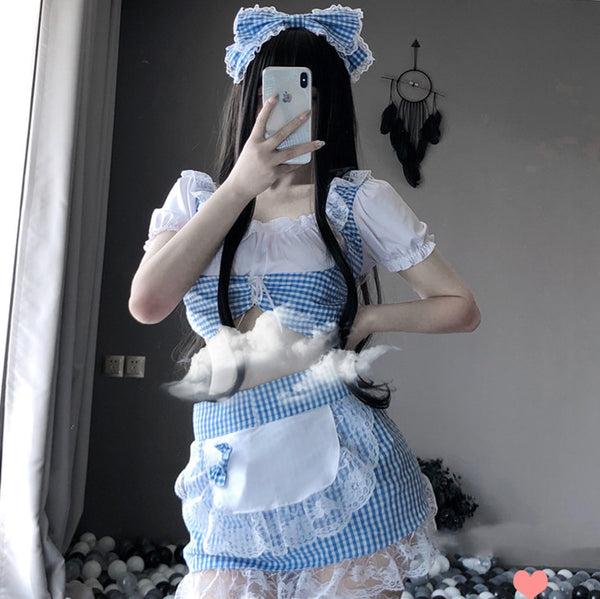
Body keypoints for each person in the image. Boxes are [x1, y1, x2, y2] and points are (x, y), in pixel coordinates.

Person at [129, 5, 481, 598]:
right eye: (271, 91)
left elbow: (460, 306)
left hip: (346, 478)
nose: (287, 108)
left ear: (330, 104)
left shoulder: (355, 201)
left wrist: (367, 316)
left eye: (306, 93)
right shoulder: (196, 198)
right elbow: (148, 301)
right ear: (247, 99)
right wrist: (241, 186)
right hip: (233, 478)